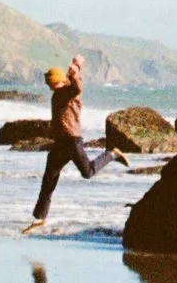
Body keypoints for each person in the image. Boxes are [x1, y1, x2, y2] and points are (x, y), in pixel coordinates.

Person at [26, 55, 118, 228]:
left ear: (57, 81)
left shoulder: (69, 92)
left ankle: (111, 154)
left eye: (50, 83)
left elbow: (77, 87)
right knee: (49, 179)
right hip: (60, 143)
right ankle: (39, 217)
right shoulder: (57, 93)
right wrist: (74, 68)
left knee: (88, 172)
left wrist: (75, 73)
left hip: (72, 141)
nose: (48, 86)